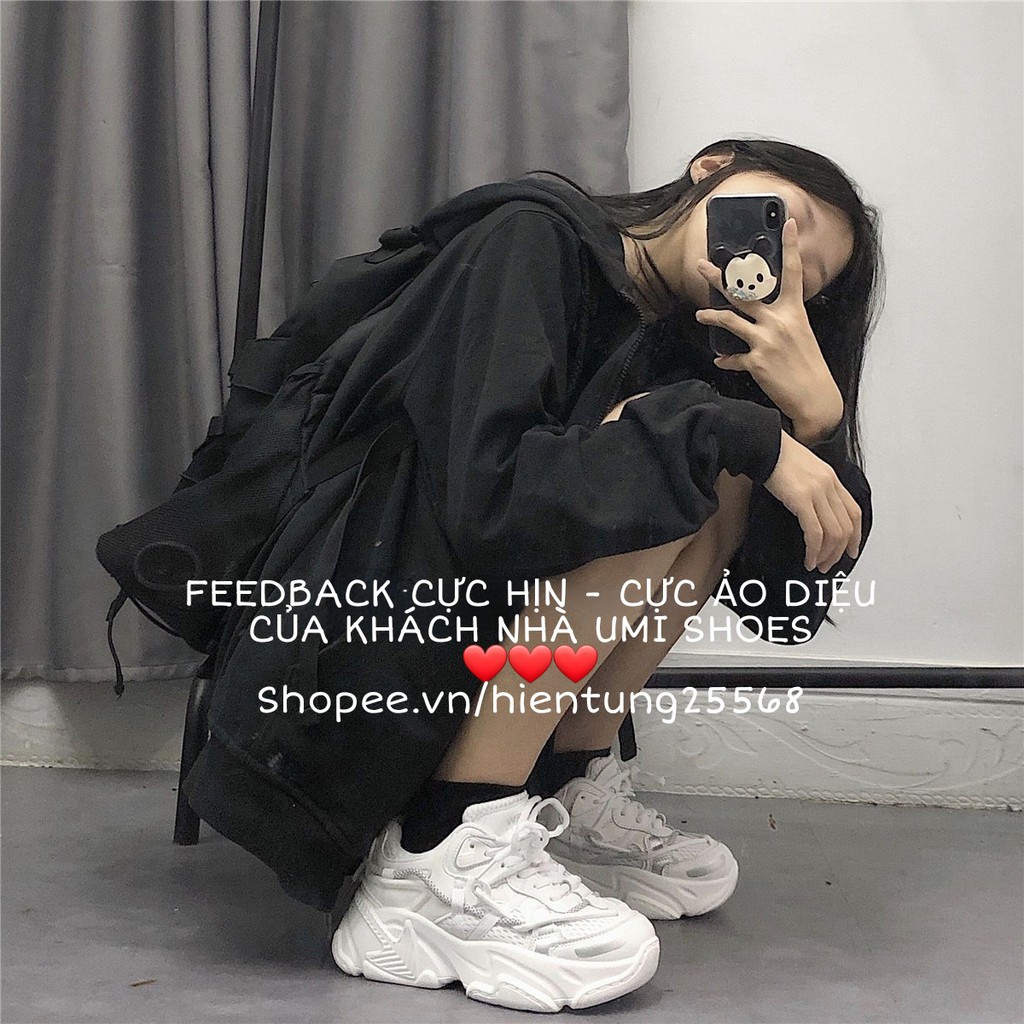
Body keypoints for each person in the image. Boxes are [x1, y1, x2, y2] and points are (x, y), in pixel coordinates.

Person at [325, 137, 882, 1011]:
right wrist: (702, 430)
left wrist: (813, 424)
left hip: (477, 623)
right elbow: (486, 500)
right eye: (783, 220)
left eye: (805, 280)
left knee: (715, 457)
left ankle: (561, 789)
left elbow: (783, 609)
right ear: (715, 168)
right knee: (673, 445)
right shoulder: (531, 238)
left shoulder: (698, 346)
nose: (778, 262)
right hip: (359, 607)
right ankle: (438, 852)